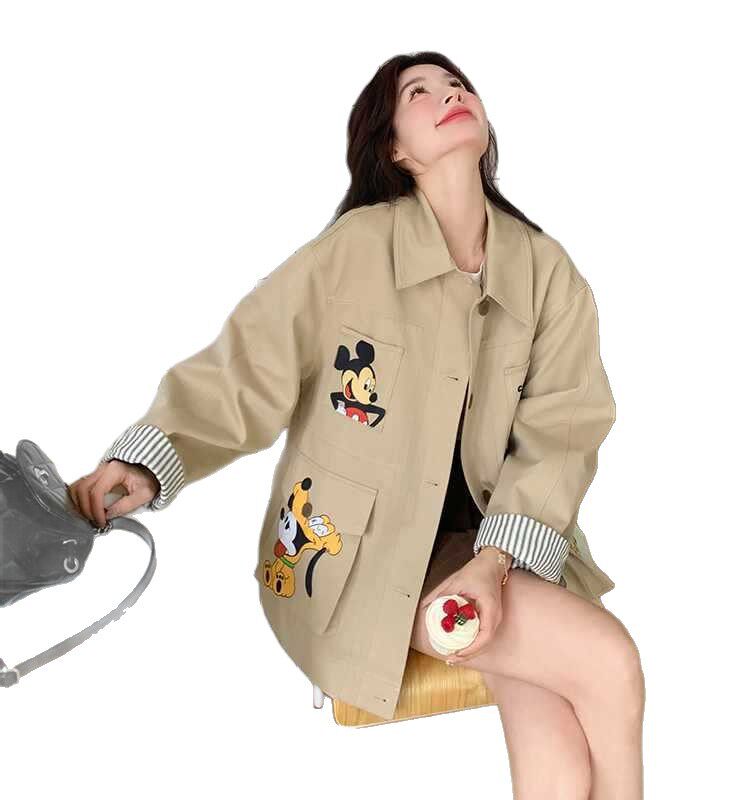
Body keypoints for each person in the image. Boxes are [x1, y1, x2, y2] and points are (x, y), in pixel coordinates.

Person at [68, 52, 644, 798]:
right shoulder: (354, 253)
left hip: (502, 554)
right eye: (419, 92)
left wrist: (495, 561)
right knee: (608, 662)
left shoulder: (547, 273)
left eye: (457, 84)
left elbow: (565, 431)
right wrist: (149, 460)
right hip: (365, 565)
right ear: (393, 148)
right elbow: (248, 366)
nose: (449, 94)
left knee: (558, 743)